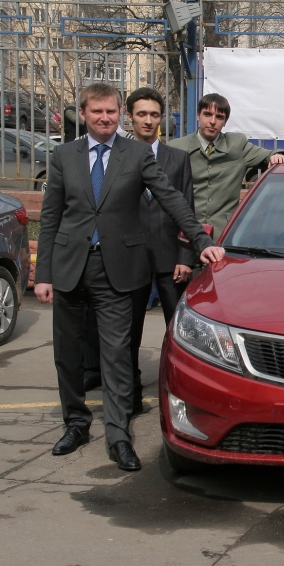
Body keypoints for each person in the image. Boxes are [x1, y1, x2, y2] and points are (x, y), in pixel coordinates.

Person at [35, 83, 225, 472]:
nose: (105, 118)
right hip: (71, 267)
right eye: (97, 111)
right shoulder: (64, 156)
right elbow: (51, 217)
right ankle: (76, 424)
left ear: (120, 113)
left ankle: (118, 435)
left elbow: (172, 198)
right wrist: (44, 274)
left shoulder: (136, 154)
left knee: (118, 355)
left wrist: (201, 240)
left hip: (118, 270)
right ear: (83, 114)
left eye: (111, 111)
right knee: (68, 355)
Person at [124, 87, 197, 415]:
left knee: (179, 333)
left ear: (162, 118)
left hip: (171, 259)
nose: (148, 120)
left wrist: (185, 257)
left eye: (154, 114)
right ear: (130, 117)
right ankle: (130, 396)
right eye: (141, 114)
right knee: (129, 334)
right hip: (131, 258)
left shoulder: (178, 159)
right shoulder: (119, 157)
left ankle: (180, 394)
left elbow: (186, 209)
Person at [169, 93, 284, 239]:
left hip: (225, 235)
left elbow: (267, 155)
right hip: (185, 234)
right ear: (198, 115)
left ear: (225, 122)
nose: (213, 121)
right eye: (207, 114)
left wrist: (276, 155)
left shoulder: (237, 145)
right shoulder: (176, 147)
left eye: (219, 117)